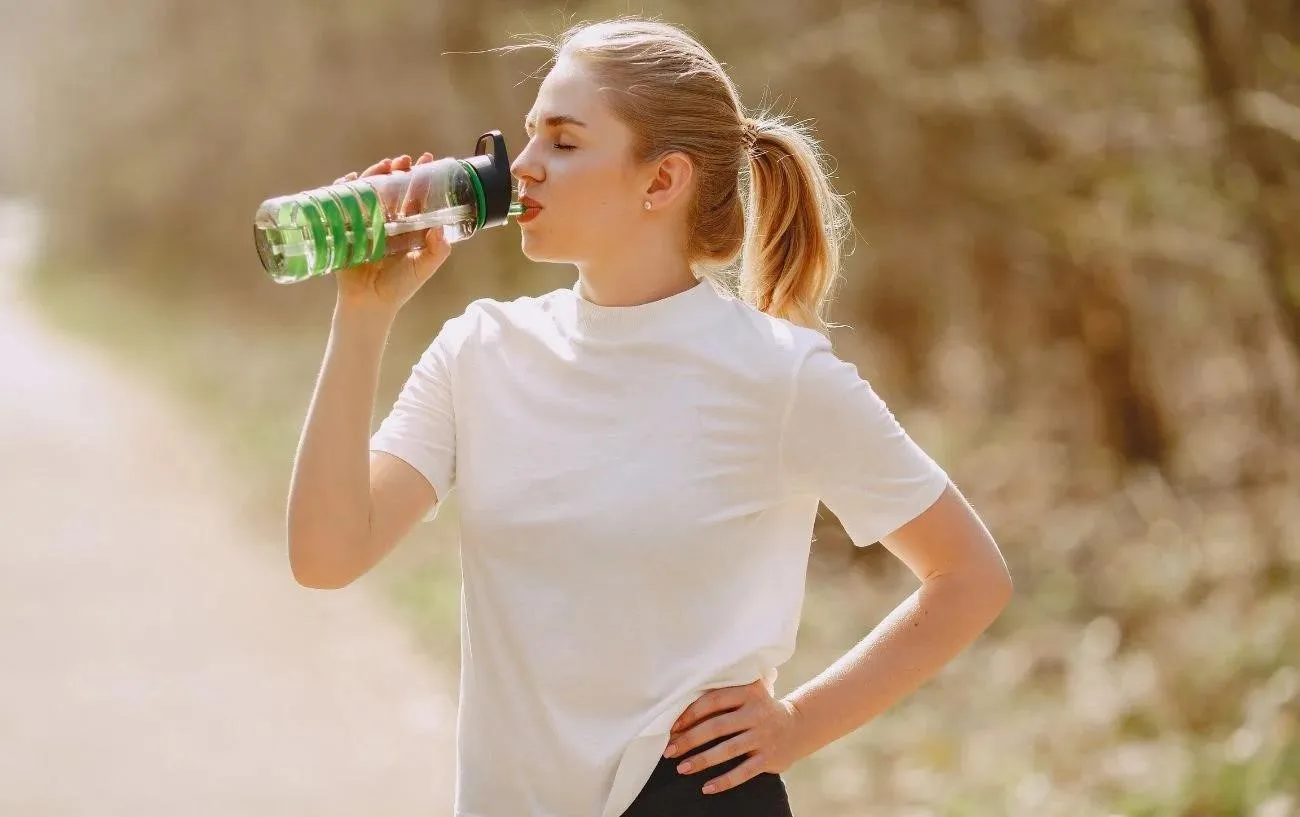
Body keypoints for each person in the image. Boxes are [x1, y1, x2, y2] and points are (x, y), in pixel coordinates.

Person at [286, 16, 1013, 817]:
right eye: (528, 136)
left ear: (661, 181)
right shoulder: (480, 351)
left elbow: (969, 576)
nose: (521, 167)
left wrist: (798, 722)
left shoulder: (780, 375)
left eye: (562, 142)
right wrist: (363, 314)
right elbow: (327, 553)